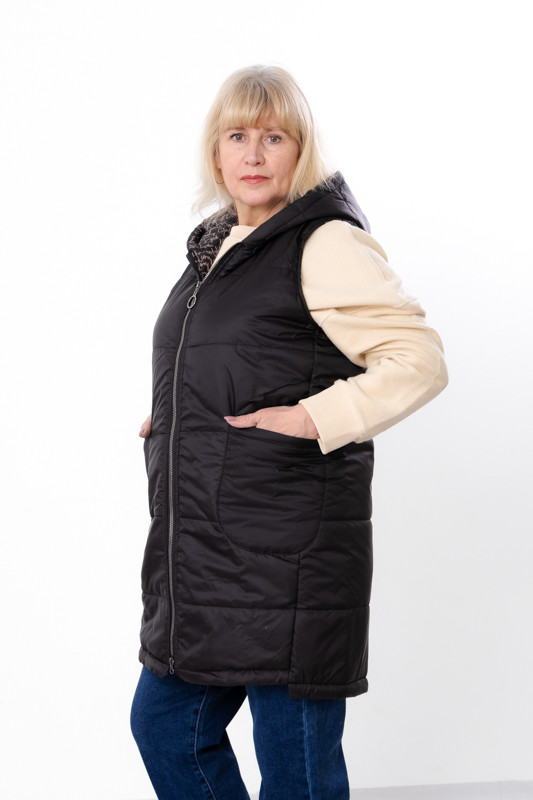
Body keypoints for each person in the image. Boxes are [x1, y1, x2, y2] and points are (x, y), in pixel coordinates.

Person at [130, 65, 448, 800]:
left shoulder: (322, 241)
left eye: (274, 138)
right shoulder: (217, 247)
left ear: (300, 151)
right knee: (166, 727)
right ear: (215, 151)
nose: (253, 153)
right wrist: (176, 413)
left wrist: (314, 417)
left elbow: (418, 359)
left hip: (289, 560)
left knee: (295, 774)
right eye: (237, 135)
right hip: (206, 559)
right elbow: (246, 356)